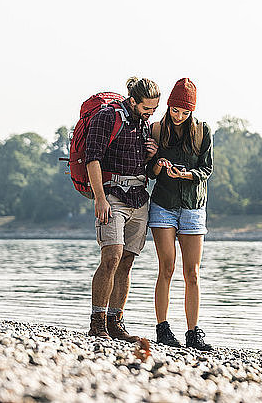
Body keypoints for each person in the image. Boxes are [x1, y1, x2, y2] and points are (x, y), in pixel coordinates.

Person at [86, 77, 160, 341]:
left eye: (154, 109)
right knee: (111, 258)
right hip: (112, 197)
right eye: (147, 108)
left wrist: (151, 154)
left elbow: (146, 170)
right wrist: (99, 198)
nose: (151, 113)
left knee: (126, 263)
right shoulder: (108, 117)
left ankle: (115, 322)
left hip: (139, 199)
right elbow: (91, 159)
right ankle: (97, 323)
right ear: (133, 101)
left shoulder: (145, 125)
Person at [147, 78, 213, 350]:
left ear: (192, 111)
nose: (179, 116)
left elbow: (206, 169)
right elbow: (149, 170)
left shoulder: (202, 131)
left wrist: (187, 174)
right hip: (163, 205)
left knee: (192, 273)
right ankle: (163, 329)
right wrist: (160, 166)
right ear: (169, 105)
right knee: (167, 267)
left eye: (185, 112)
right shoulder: (157, 129)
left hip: (193, 207)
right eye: (175, 110)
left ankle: (193, 333)